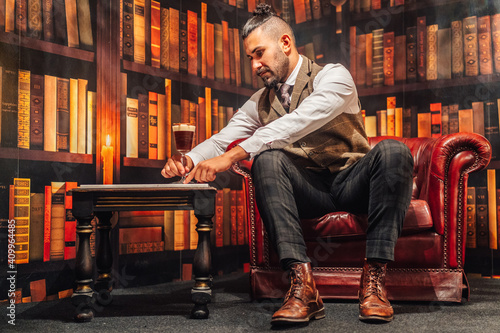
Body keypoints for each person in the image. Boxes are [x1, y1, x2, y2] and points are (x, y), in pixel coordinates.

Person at [161, 4, 414, 326]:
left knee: (394, 150)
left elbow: (299, 120)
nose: (255, 65)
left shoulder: (333, 76)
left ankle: (374, 284)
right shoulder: (260, 101)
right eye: (250, 58)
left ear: (285, 43)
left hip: (354, 182)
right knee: (267, 159)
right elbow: (222, 138)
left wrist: (233, 156)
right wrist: (190, 158)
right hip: (309, 191)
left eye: (259, 53)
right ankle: (302, 286)